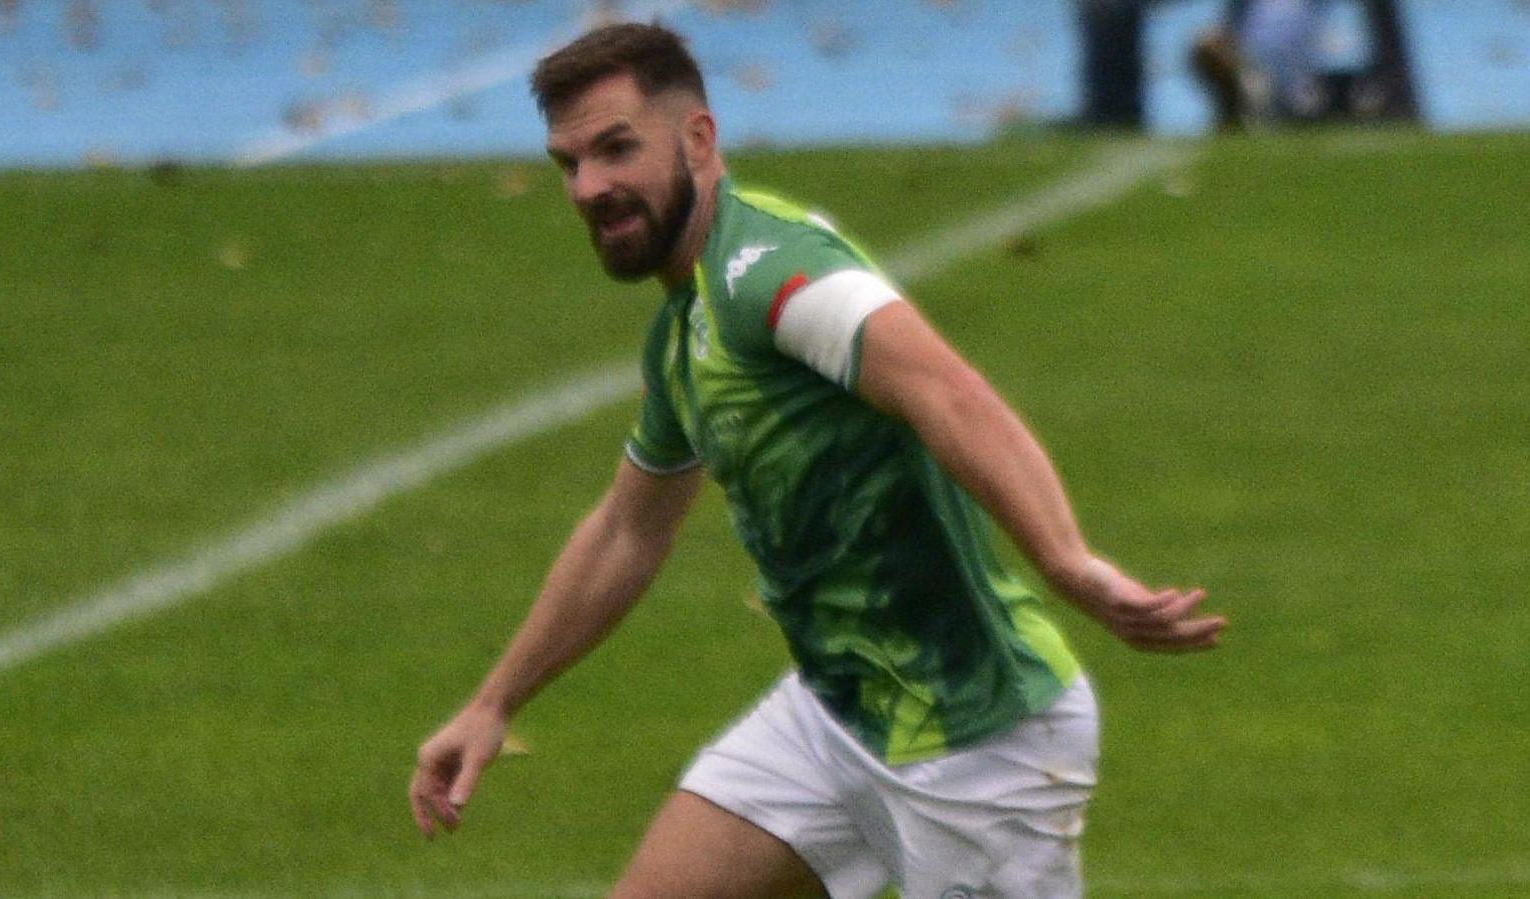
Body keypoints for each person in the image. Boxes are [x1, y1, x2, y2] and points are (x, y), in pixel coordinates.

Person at [409, 22, 1227, 899]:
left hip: (980, 748)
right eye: (570, 163)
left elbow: (949, 393)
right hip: (838, 716)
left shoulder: (772, 273)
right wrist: (495, 702)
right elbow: (625, 529)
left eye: (617, 149)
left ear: (699, 139)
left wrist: (1068, 561)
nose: (592, 187)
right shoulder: (685, 332)